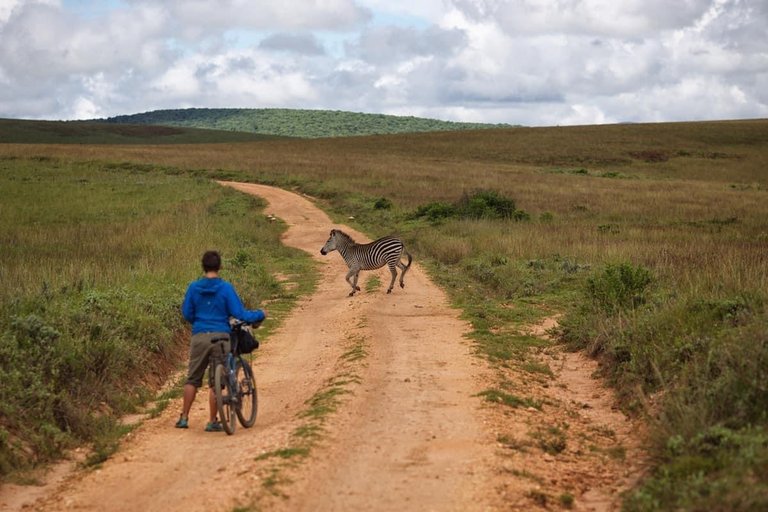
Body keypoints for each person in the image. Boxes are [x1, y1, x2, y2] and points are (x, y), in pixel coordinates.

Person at [176, 250, 266, 431]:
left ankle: (184, 418)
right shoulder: (225, 288)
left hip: (199, 337)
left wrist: (201, 322)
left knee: (192, 379)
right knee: (216, 382)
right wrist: (260, 313)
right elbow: (239, 313)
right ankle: (212, 421)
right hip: (221, 337)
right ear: (220, 267)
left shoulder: (193, 288)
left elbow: (186, 313)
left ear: (203, 266)